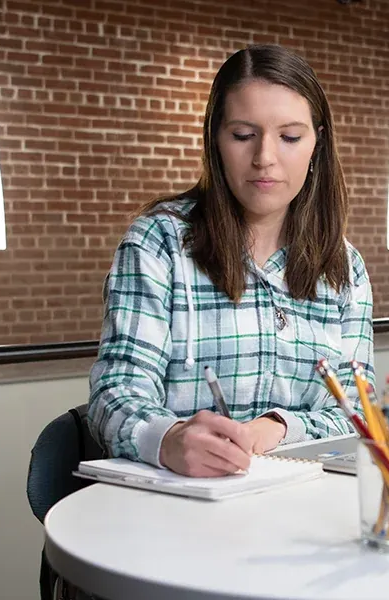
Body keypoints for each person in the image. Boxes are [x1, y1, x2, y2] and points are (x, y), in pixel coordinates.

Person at [88, 44, 374, 478]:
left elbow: (358, 412)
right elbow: (116, 394)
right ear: (215, 140)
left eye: (290, 137)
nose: (265, 157)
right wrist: (169, 439)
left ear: (317, 144)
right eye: (243, 135)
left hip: (304, 509)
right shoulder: (159, 243)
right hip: (180, 514)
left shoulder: (344, 268)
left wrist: (278, 428)